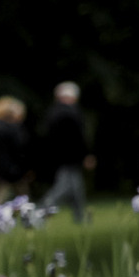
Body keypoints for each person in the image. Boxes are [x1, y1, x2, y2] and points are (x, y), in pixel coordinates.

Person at [40, 81, 95, 222]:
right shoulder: (71, 112)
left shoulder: (53, 112)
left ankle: (80, 217)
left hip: (59, 156)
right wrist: (86, 154)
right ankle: (40, 212)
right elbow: (79, 137)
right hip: (71, 157)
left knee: (76, 188)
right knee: (63, 188)